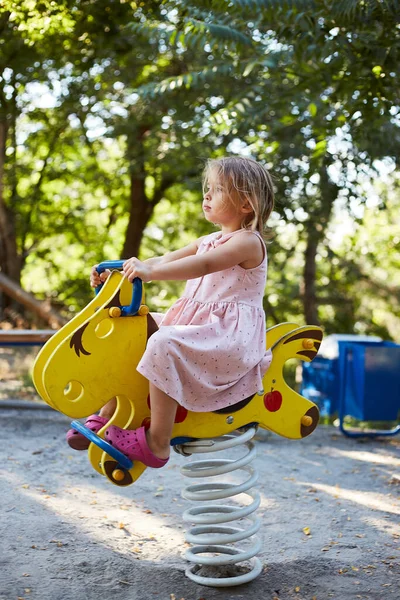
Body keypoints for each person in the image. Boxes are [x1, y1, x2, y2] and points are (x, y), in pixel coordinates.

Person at [67, 156, 274, 468]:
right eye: (208, 188)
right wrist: (119, 272)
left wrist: (148, 274)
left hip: (228, 336)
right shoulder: (209, 240)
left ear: (246, 204)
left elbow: (202, 265)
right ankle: (109, 414)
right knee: (134, 328)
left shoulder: (247, 242)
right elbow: (160, 260)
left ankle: (157, 442)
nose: (206, 195)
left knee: (164, 344)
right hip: (200, 327)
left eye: (217, 190)